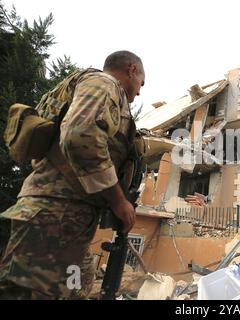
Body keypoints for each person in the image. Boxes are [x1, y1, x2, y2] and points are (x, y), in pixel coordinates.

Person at [0, 51, 146, 299]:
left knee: (72, 288)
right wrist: (118, 201)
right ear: (131, 70)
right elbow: (80, 134)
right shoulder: (104, 83)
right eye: (141, 83)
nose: (140, 92)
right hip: (53, 217)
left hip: (63, 220)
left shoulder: (98, 90)